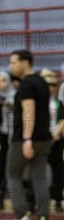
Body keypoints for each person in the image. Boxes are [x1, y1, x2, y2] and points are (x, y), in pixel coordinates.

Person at [5, 50, 51, 220]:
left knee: (13, 174)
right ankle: (41, 219)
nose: (11, 66)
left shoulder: (26, 85)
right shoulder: (41, 82)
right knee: (39, 178)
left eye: (13, 62)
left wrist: (26, 139)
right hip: (44, 139)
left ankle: (20, 216)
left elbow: (28, 111)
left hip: (26, 139)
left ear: (25, 63)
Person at [40, 68, 64, 213]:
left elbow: (63, 120)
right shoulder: (36, 104)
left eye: (53, 85)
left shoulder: (58, 103)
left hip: (56, 141)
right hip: (41, 141)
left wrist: (55, 134)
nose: (50, 88)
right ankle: (37, 201)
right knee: (38, 172)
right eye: (47, 85)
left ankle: (58, 200)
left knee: (58, 171)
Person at [0, 72, 16, 209]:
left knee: (12, 168)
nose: (2, 84)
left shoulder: (14, 95)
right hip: (3, 135)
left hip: (15, 136)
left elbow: (10, 104)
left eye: (4, 80)